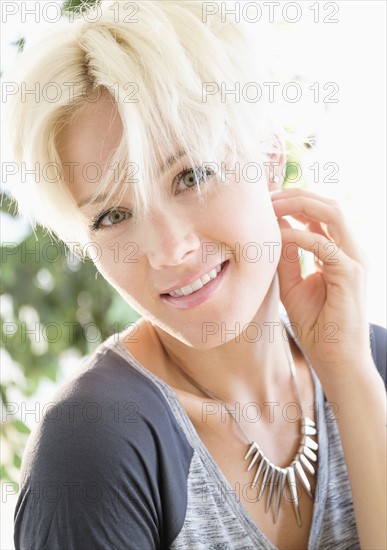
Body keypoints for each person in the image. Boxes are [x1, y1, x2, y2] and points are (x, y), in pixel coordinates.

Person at [5, 1, 386, 549]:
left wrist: (351, 379)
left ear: (268, 157)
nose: (169, 251)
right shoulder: (93, 445)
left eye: (191, 175)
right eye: (112, 215)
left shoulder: (374, 367)